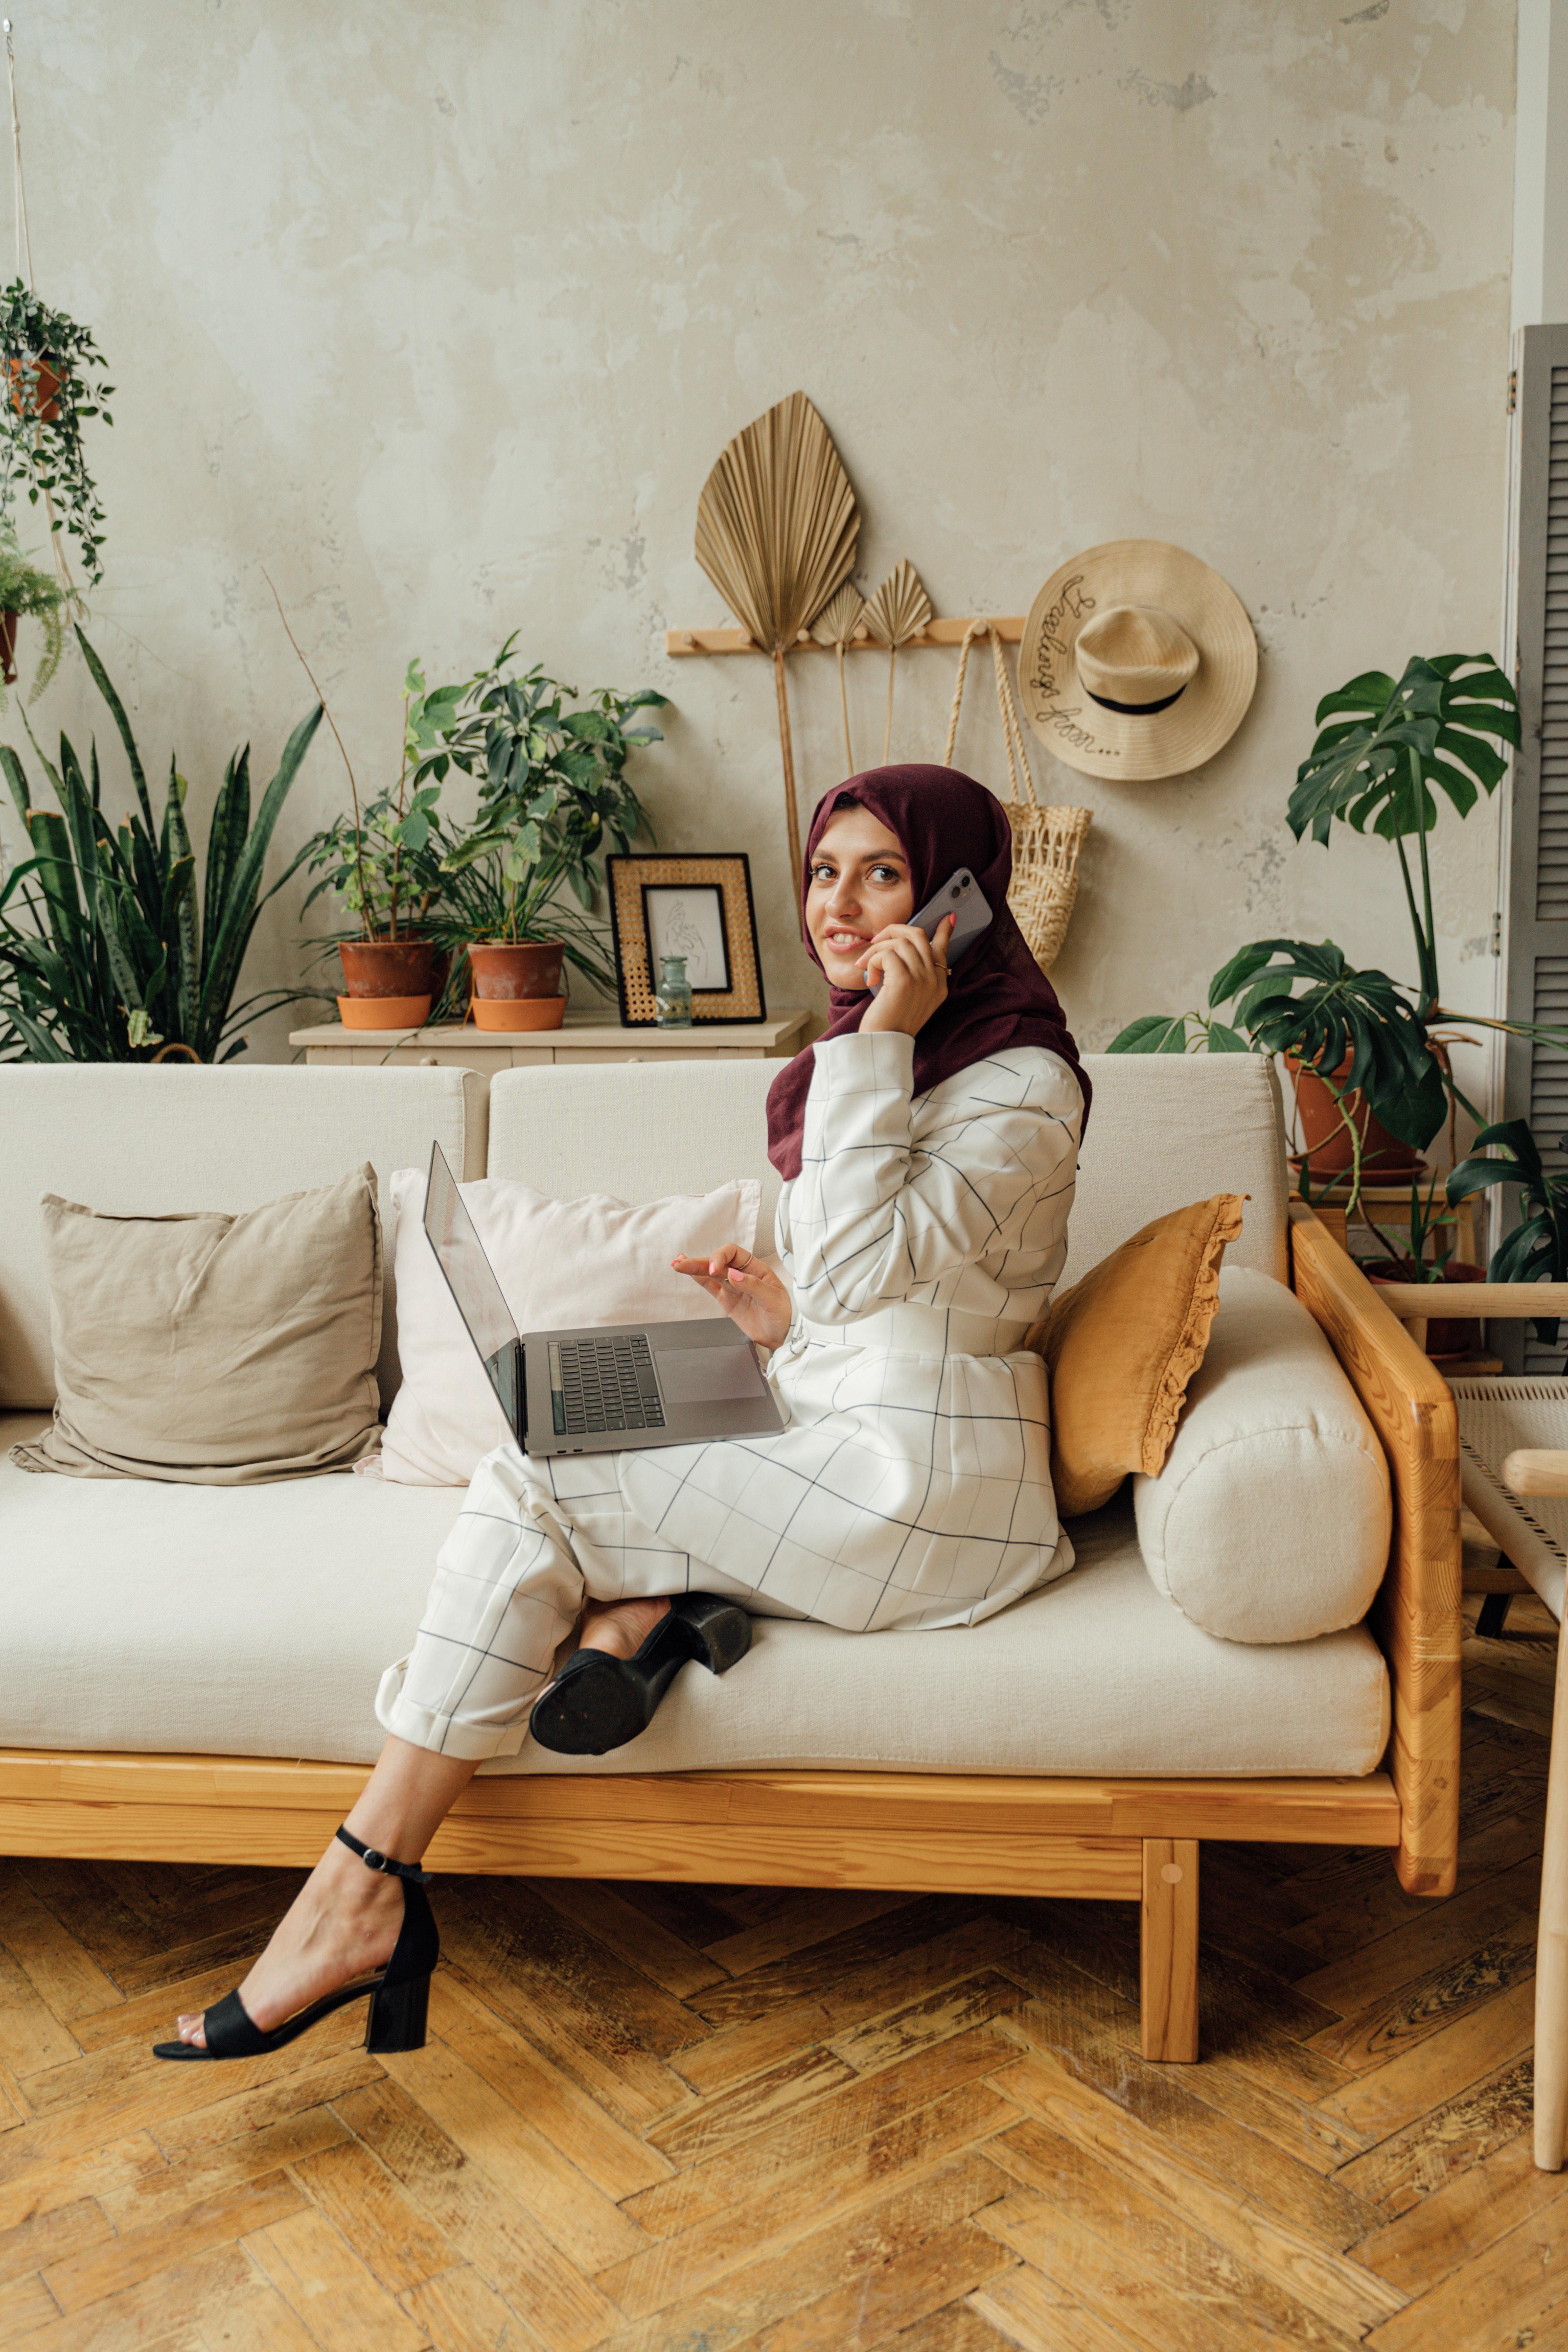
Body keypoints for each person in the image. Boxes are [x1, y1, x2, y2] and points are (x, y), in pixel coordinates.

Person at [157, 762, 1089, 2060]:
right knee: (581, 1402)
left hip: (925, 1487)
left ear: (961, 899)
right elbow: (846, 1278)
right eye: (825, 872)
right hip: (837, 1410)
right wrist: (779, 1321)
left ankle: (357, 1895)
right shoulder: (904, 1054)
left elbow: (867, 1258)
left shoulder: (1021, 1086)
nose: (839, 905)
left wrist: (872, 1047)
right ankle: (639, 1615)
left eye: (884, 874)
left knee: (534, 1476)